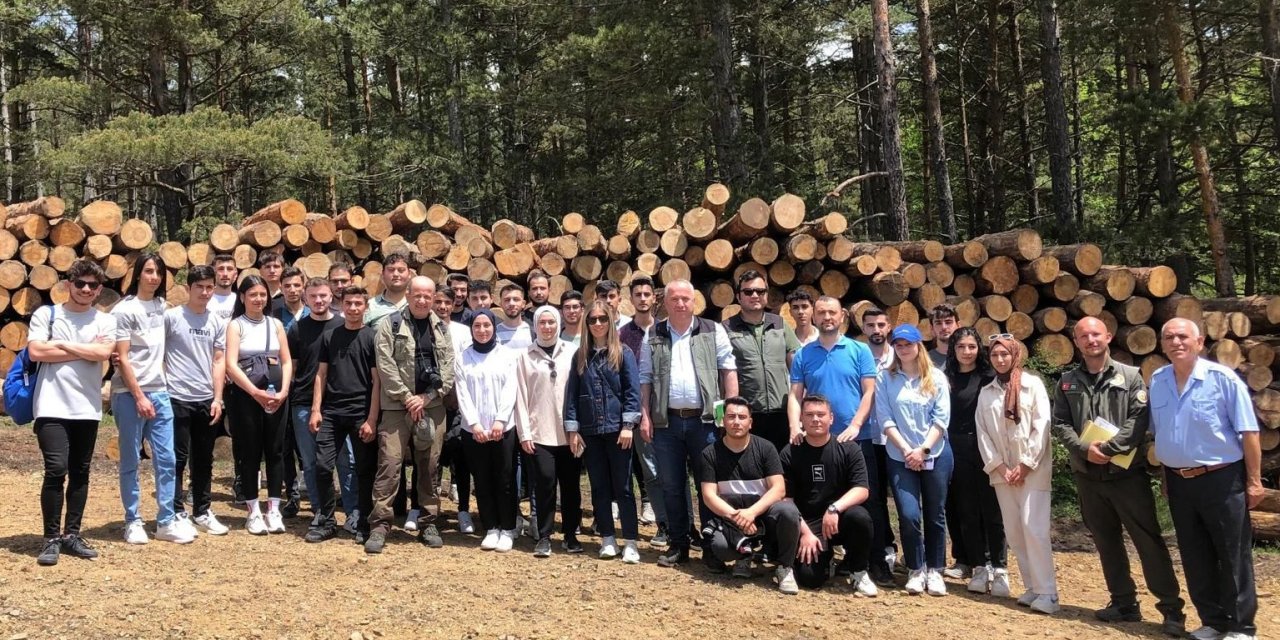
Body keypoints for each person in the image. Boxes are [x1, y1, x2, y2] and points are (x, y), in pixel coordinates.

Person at [1052, 317, 1185, 635]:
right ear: (1076, 341)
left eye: (1096, 334)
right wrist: (1085, 449)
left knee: (1147, 541)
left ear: (1108, 337)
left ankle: (1171, 609)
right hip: (1089, 476)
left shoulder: (1131, 377)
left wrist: (1109, 448)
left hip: (1126, 476)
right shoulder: (1067, 381)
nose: (1090, 340)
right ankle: (1123, 602)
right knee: (1105, 541)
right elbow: (1060, 423)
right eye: (1083, 335)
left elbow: (1139, 421)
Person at [1150, 318, 1262, 640]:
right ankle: (1213, 621)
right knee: (1194, 553)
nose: (1176, 342)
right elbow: (1164, 435)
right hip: (1179, 482)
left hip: (1221, 479)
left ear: (1199, 342)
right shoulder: (1158, 381)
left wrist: (1254, 481)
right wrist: (1166, 475)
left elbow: (1249, 432)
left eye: (1183, 336)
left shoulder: (1223, 379)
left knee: (1231, 553)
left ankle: (1242, 627)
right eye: (1169, 337)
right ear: (1163, 344)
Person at [638, 279, 738, 567]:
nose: (681, 304)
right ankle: (678, 544)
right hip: (666, 423)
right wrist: (645, 415)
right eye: (675, 299)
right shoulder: (654, 333)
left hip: (706, 421)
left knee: (708, 485)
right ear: (665, 303)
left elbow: (727, 370)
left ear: (694, 301)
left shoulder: (712, 329)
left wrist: (729, 414)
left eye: (686, 298)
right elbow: (645, 378)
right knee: (671, 485)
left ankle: (711, 547)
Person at [29, 259, 116, 566]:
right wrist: (84, 348)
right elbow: (37, 351)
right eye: (80, 284)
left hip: (87, 408)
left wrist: (62, 344)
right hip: (51, 405)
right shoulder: (47, 314)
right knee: (56, 469)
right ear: (68, 285)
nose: (86, 289)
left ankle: (71, 535)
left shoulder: (104, 321)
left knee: (80, 472)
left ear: (99, 289)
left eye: (93, 285)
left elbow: (104, 353)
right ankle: (50, 538)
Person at [786, 296, 878, 576]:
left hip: (854, 439)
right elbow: (795, 394)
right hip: (815, 440)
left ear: (842, 317)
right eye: (822, 312)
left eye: (832, 313)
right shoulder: (803, 354)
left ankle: (868, 563)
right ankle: (817, 548)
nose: (827, 317)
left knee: (863, 503)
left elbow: (870, 391)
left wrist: (857, 425)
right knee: (813, 498)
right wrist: (794, 425)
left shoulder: (859, 350)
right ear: (813, 316)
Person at [367, 276, 455, 553]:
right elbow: (385, 365)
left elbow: (449, 370)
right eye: (417, 294)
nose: (422, 300)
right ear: (408, 294)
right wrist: (408, 397)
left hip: (431, 407)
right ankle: (380, 525)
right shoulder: (390, 325)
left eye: (428, 295)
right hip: (396, 407)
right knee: (390, 465)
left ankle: (428, 522)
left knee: (429, 466)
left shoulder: (441, 328)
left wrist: (426, 397)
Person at [976, 335, 1057, 614]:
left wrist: (1025, 464)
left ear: (1015, 355)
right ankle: (1032, 587)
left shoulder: (1032, 385)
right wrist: (1000, 467)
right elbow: (983, 433)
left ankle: (1048, 592)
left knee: (1034, 528)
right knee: (1015, 530)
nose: (1000, 359)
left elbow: (1042, 425)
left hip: (1032, 470)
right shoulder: (987, 392)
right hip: (1002, 472)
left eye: (1005, 355)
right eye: (995, 355)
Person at [111, 253, 189, 544]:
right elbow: (122, 357)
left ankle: (166, 520)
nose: (154, 277)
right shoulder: (124, 310)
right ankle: (133, 520)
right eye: (149, 271)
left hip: (160, 391)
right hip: (129, 394)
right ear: (138, 275)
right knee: (131, 458)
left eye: (158, 272)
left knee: (167, 458)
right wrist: (138, 395)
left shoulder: (161, 307)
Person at [875, 324, 951, 596]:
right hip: (899, 454)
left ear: (919, 345)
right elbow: (885, 418)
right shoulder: (886, 377)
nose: (903, 348)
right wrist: (909, 450)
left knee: (935, 513)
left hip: (936, 453)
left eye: (908, 343)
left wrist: (924, 450)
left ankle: (936, 570)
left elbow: (941, 419)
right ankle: (916, 568)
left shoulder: (937, 377)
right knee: (908, 514)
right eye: (898, 344)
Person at [698, 397, 801, 595]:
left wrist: (751, 513)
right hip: (732, 518)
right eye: (731, 417)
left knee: (788, 511)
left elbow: (779, 489)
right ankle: (742, 558)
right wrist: (739, 518)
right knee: (719, 546)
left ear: (750, 422)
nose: (737, 421)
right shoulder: (710, 454)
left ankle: (785, 567)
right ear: (723, 421)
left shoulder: (766, 448)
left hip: (762, 514)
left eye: (742, 417)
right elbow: (709, 496)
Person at [565, 300, 643, 562]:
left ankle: (630, 540)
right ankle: (608, 538)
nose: (597, 323)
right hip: (591, 431)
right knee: (599, 487)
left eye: (602, 319)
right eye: (592, 319)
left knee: (623, 486)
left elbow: (632, 392)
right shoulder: (580, 355)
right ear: (586, 324)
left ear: (610, 321)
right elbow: (572, 395)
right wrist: (573, 429)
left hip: (618, 430)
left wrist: (628, 425)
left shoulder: (623, 353)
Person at [305, 286, 381, 544]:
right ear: (342, 305)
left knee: (364, 470)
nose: (353, 308)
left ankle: (362, 521)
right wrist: (316, 410)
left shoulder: (371, 337)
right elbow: (321, 375)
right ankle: (326, 520)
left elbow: (377, 381)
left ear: (365, 307)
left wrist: (372, 419)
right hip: (332, 412)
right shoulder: (330, 336)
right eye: (348, 303)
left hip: (361, 412)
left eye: (358, 303)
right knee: (323, 466)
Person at [780, 394, 876, 595]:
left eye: (821, 414)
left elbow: (862, 489)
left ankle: (858, 570)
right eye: (810, 415)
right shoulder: (790, 452)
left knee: (860, 516)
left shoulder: (848, 448)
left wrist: (835, 508)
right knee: (810, 579)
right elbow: (786, 500)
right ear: (801, 420)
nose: (815, 419)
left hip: (839, 518)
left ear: (831, 418)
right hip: (808, 523)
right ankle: (826, 559)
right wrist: (805, 533)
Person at [224, 275, 294, 535]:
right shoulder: (235, 326)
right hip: (245, 398)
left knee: (276, 451)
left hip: (276, 397)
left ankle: (273, 508)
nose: (258, 299)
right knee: (250, 452)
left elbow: (286, 361)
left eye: (262, 294)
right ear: (242, 297)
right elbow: (231, 363)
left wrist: (284, 390)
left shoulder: (275, 324)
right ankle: (253, 510)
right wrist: (254, 392)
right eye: (252, 294)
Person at [164, 265, 230, 537]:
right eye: (199, 287)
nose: (204, 292)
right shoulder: (172, 318)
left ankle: (202, 510)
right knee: (177, 458)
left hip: (206, 399)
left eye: (209, 287)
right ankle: (176, 511)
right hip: (176, 397)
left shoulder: (216, 321)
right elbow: (159, 353)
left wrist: (218, 398)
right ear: (188, 288)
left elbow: (218, 360)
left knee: (204, 458)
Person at [943, 327, 1008, 597]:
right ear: (953, 349)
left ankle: (1000, 566)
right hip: (956, 448)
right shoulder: (945, 378)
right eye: (961, 347)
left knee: (993, 510)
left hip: (987, 447)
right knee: (966, 510)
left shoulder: (989, 377)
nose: (967, 352)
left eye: (971, 346)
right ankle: (978, 566)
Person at [514, 306, 582, 557]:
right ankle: (544, 535)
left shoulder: (572, 352)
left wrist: (579, 427)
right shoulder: (525, 356)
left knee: (571, 486)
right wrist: (525, 433)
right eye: (542, 322)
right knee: (544, 484)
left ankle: (571, 534)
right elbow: (520, 396)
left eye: (551, 322)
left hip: (569, 432)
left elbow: (579, 392)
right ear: (535, 326)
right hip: (539, 431)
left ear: (558, 324)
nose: (547, 327)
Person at [455, 309, 519, 551]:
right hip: (474, 430)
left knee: (504, 479)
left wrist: (500, 421)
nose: (482, 330)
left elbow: (510, 388)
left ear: (494, 327)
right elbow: (462, 392)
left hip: (502, 429)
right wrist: (475, 424)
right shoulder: (463, 357)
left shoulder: (507, 355)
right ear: (471, 329)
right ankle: (491, 527)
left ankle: (508, 527)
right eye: (477, 326)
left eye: (487, 326)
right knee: (481, 479)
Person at [285, 278, 344, 521]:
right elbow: (293, 365)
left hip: (338, 404)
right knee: (309, 462)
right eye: (313, 296)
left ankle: (351, 512)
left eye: (323, 295)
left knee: (344, 461)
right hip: (303, 401)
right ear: (305, 299)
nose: (318, 301)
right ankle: (320, 509)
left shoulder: (342, 325)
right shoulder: (298, 328)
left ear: (331, 296)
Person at [724, 270, 800, 453]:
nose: (755, 295)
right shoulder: (725, 329)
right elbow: (721, 374)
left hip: (781, 412)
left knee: (783, 471)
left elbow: (797, 369)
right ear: (738, 296)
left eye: (760, 291)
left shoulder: (781, 324)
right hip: (747, 415)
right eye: (748, 292)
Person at [618, 275, 666, 542]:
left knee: (667, 471)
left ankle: (678, 523)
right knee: (649, 471)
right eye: (638, 295)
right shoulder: (622, 334)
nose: (643, 299)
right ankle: (663, 524)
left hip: (664, 413)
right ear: (632, 299)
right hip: (634, 414)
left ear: (654, 298)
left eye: (647, 294)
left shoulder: (664, 330)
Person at [857, 306, 898, 585]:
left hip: (895, 439)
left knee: (902, 498)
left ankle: (904, 553)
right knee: (872, 498)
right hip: (866, 436)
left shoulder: (902, 355)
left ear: (889, 327)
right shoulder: (857, 355)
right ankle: (879, 550)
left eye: (881, 325)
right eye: (870, 325)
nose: (876, 330)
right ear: (863, 328)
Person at [927, 303, 967, 579]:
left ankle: (969, 558)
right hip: (933, 440)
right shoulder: (926, 359)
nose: (944, 327)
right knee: (941, 503)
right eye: (939, 323)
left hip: (965, 438)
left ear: (957, 324)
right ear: (932, 328)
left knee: (966, 502)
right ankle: (940, 559)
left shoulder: (967, 355)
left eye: (948, 322)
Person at [365, 253, 410, 327]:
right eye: (391, 270)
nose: (396, 274)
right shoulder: (371, 306)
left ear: (409, 274)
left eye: (401, 270)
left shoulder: (418, 304)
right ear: (383, 274)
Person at [495, 284, 533, 349]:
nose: (511, 303)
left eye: (516, 299)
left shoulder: (532, 331)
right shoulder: (494, 333)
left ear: (523, 304)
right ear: (500, 304)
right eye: (507, 300)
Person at [271, 267, 308, 331]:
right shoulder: (274, 317)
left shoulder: (312, 313)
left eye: (297, 285)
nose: (292, 290)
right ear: (281, 289)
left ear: (303, 288)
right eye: (287, 286)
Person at [209, 253, 238, 321]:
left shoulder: (241, 301)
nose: (225, 274)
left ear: (235, 274)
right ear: (213, 273)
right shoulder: (204, 299)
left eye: (229, 269)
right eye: (221, 269)